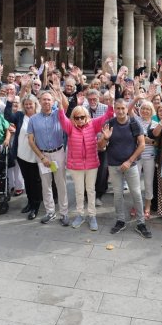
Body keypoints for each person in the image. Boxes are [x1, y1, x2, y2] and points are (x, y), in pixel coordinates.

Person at [58, 95, 114, 231]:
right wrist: (60, 104)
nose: (80, 120)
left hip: (91, 164)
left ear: (87, 116)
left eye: (82, 117)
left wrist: (111, 102)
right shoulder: (70, 126)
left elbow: (108, 115)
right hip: (75, 165)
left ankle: (92, 215)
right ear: (73, 118)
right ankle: (80, 215)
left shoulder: (93, 124)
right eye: (77, 117)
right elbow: (61, 117)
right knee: (78, 191)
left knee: (90, 190)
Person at [102, 99, 151, 238]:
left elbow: (141, 145)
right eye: (117, 108)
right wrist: (105, 138)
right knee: (117, 195)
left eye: (123, 108)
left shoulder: (134, 123)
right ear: (114, 109)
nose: (120, 111)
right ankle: (120, 220)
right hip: (113, 165)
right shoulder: (109, 123)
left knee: (136, 193)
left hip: (131, 165)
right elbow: (100, 146)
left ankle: (141, 223)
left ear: (127, 108)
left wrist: (129, 161)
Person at [28, 91, 69, 226]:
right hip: (43, 156)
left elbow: (66, 106)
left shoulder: (58, 114)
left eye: (49, 100)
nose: (46, 102)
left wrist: (60, 96)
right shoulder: (33, 119)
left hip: (58, 153)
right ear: (39, 101)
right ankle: (50, 212)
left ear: (53, 102)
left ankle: (64, 213)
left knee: (61, 184)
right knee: (46, 185)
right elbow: (31, 141)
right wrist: (41, 157)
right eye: (44, 99)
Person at [6, 94, 43, 219]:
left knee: (35, 181)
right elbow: (8, 116)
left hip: (35, 155)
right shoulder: (20, 116)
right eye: (26, 104)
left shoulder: (39, 116)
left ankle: (36, 206)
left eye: (30, 103)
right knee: (27, 180)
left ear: (35, 104)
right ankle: (30, 202)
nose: (28, 106)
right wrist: (9, 102)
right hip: (21, 154)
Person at [135, 101, 158, 220]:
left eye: (148, 109)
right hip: (137, 156)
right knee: (135, 184)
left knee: (148, 183)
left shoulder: (155, 123)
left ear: (152, 111)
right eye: (143, 108)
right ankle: (137, 206)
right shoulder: (136, 120)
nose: (145, 111)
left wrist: (150, 141)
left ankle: (147, 207)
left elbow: (157, 141)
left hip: (150, 158)